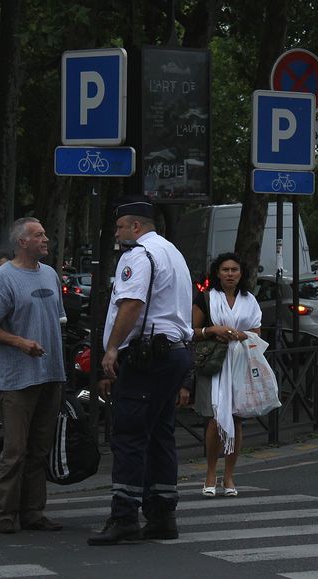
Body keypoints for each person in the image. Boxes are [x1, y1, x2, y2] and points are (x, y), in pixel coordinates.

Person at [88, 194, 193, 545]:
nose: (116, 234)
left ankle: (124, 517)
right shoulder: (172, 253)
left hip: (149, 357)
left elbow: (131, 305)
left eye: (120, 227)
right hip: (174, 354)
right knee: (160, 433)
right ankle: (163, 514)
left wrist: (112, 348)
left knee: (129, 434)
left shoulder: (139, 254)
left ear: (136, 226)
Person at [0, 218, 67, 535]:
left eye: (45, 233)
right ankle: (5, 514)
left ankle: (33, 513)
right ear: (22, 242)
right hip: (17, 380)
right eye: (38, 235)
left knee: (40, 450)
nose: (46, 239)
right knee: (15, 451)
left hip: (51, 374)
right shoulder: (3, 278)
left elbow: (57, 320)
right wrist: (20, 342)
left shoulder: (51, 275)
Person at [185, 252, 261, 498]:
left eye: (234, 270)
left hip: (239, 363)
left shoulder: (250, 300)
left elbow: (257, 332)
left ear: (241, 274)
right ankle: (210, 474)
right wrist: (212, 330)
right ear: (217, 273)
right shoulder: (206, 298)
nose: (230, 274)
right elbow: (190, 332)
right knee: (214, 419)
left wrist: (243, 335)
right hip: (214, 365)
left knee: (237, 420)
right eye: (225, 270)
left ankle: (229, 475)